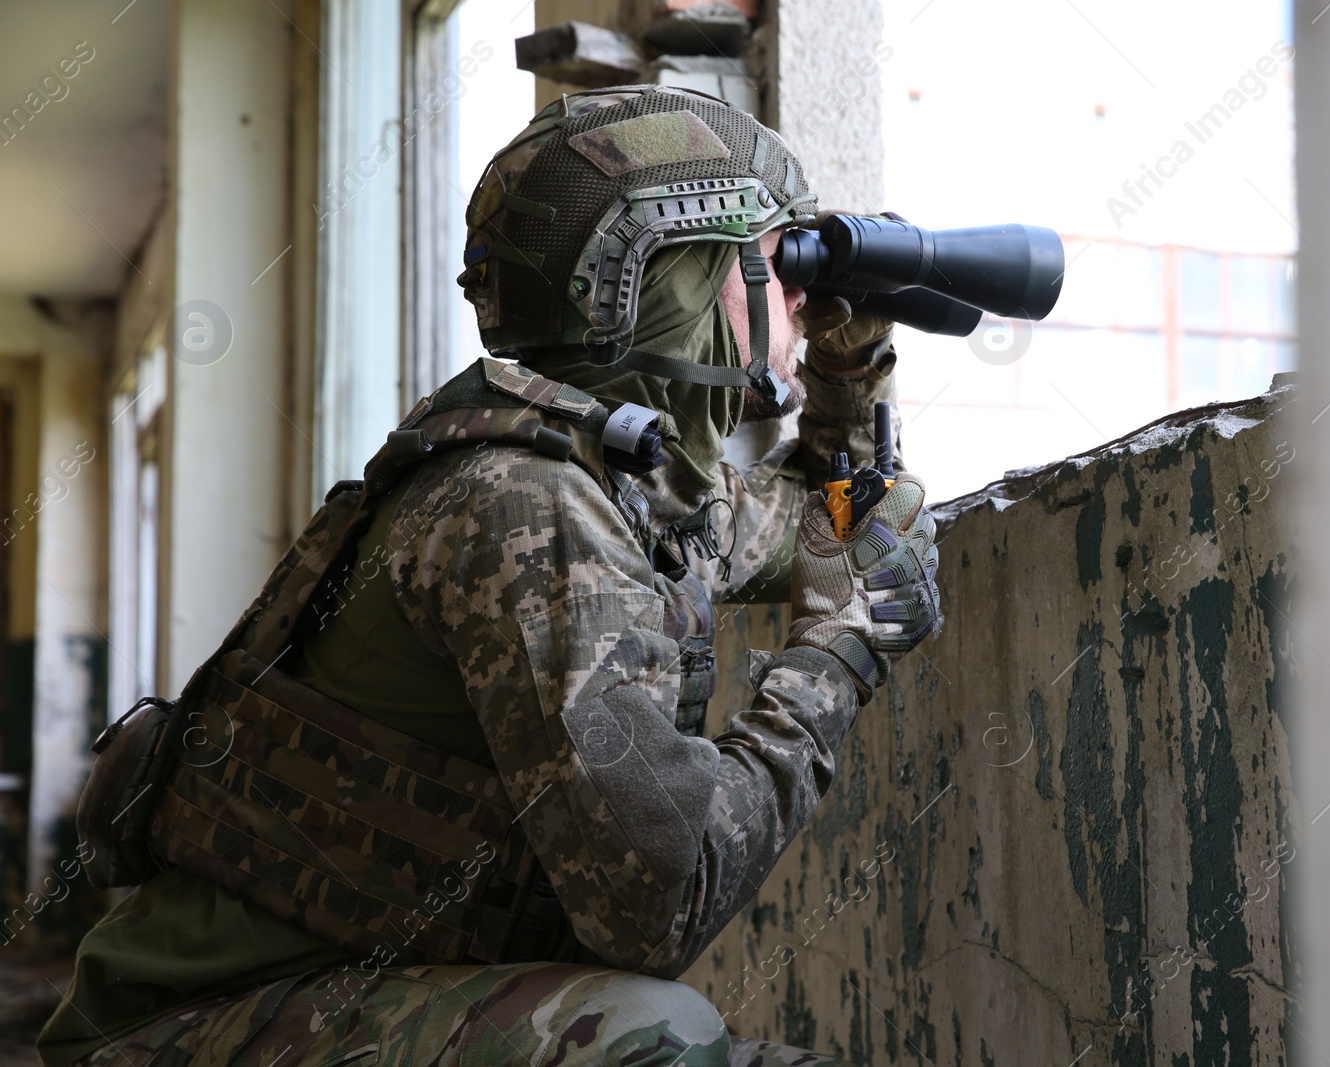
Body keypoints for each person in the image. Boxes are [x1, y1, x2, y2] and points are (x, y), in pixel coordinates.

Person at [41, 86, 940, 1067]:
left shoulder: (615, 480)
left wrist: (848, 369)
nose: (798, 296)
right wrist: (836, 653)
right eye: (774, 264)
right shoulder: (526, 505)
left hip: (343, 994)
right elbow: (657, 899)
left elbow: (834, 518)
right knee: (647, 1035)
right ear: (669, 278)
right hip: (197, 1026)